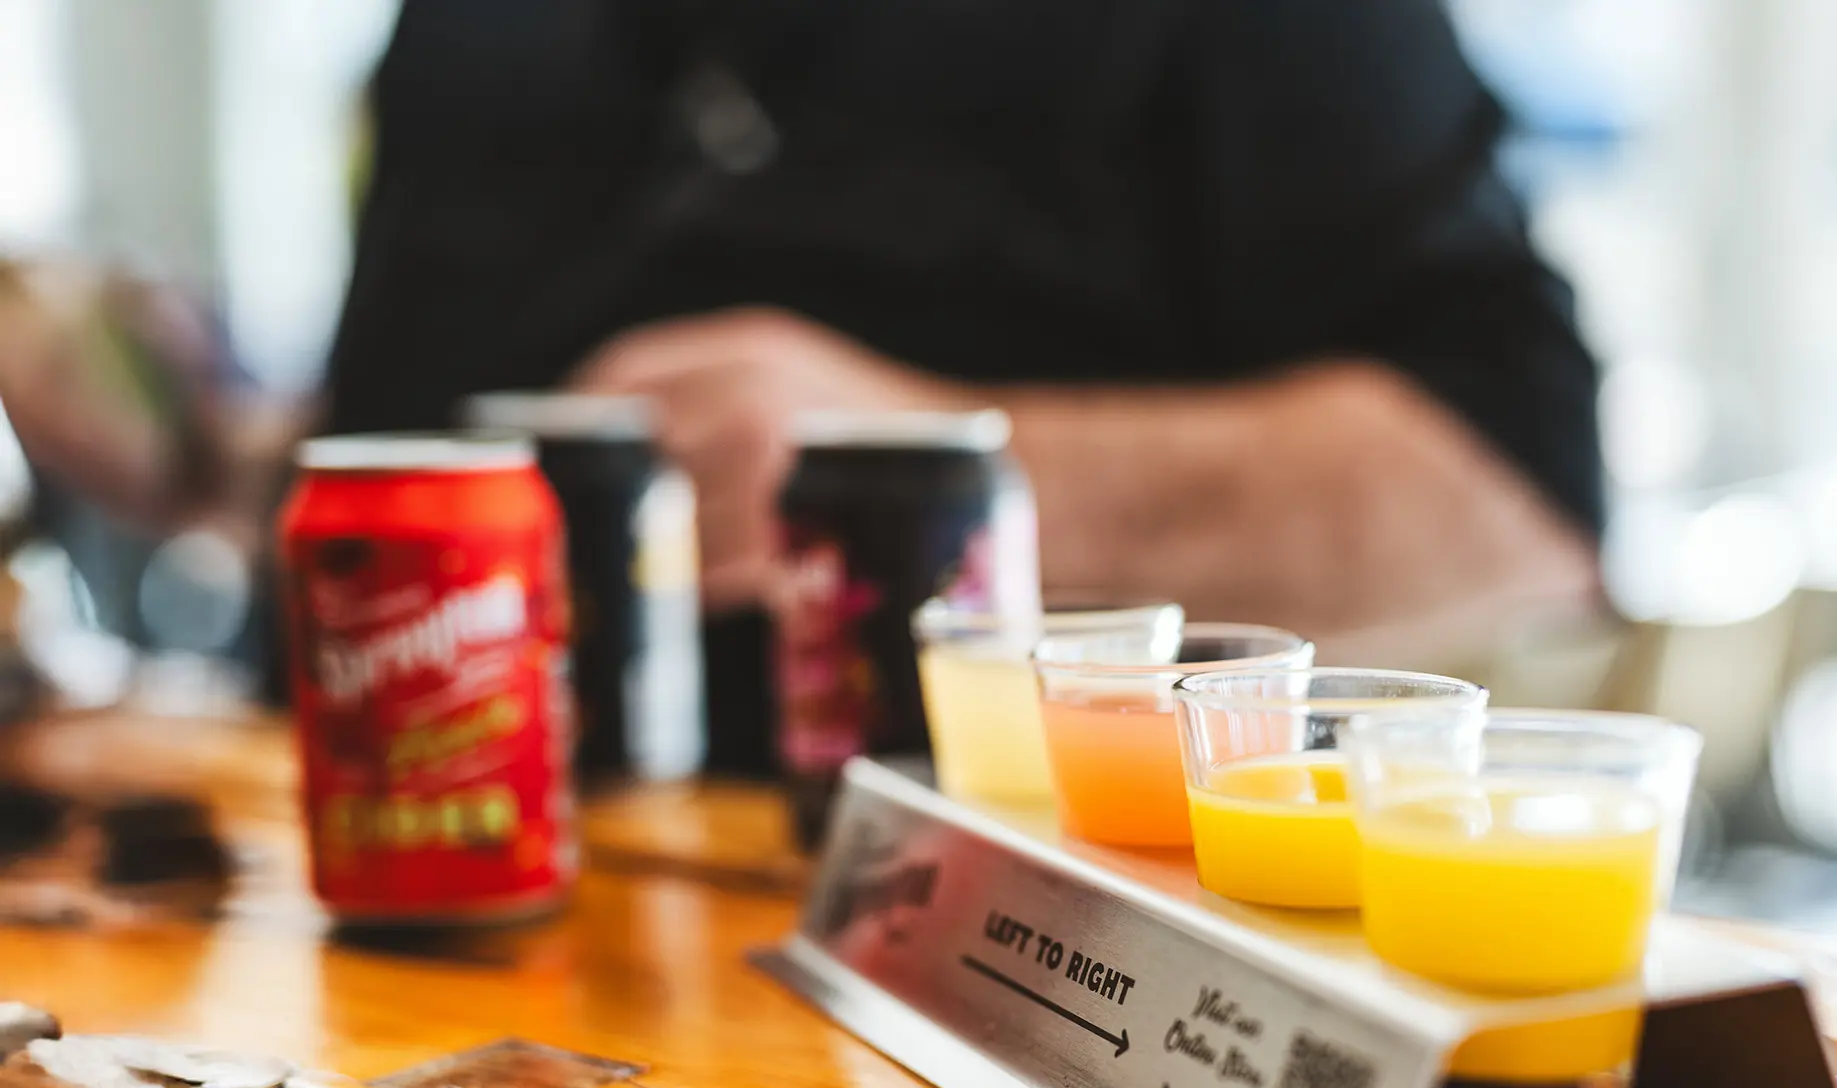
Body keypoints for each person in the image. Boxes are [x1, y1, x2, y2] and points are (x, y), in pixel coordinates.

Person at [327, 0, 1602, 660]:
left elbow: (1518, 511)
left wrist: (928, 477)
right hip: (348, 955)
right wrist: (213, 449)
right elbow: (413, 447)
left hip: (970, 1003)